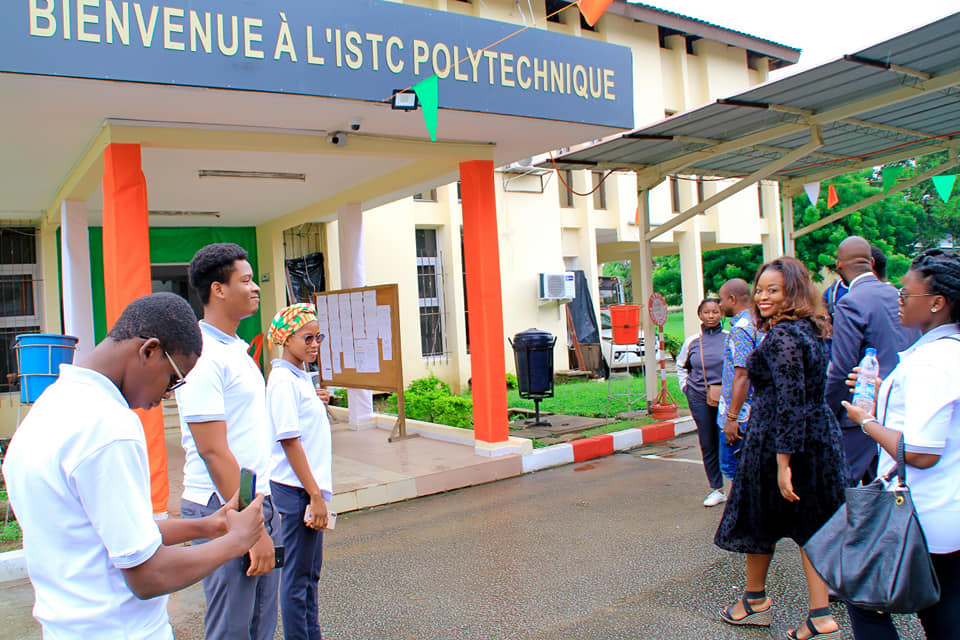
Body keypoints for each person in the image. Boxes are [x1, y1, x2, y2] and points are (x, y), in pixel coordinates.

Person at [1, 293, 265, 639]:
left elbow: (107, 533)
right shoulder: (109, 428)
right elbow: (148, 576)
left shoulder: (53, 404)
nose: (169, 395)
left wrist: (209, 526)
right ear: (149, 350)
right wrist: (237, 542)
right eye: (174, 379)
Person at [715, 257, 847, 640]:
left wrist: (782, 462)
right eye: (760, 289)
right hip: (816, 438)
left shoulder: (785, 336)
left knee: (764, 521)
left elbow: (789, 400)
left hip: (781, 442)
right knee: (808, 526)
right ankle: (797, 610)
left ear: (793, 291)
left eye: (773, 289)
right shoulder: (814, 328)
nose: (763, 296)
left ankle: (767, 605)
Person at [841, 248, 960, 640]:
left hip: (924, 512)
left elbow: (920, 452)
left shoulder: (932, 361)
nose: (898, 301)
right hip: (944, 512)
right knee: (941, 608)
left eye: (906, 295)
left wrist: (866, 420)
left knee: (863, 598)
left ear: (938, 303)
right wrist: (878, 393)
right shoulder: (944, 352)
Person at [176, 243, 280, 640]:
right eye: (247, 280)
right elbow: (212, 449)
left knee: (260, 625)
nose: (255, 289)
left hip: (255, 501)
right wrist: (252, 529)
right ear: (218, 290)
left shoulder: (236, 349)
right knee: (233, 629)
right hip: (223, 507)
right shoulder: (204, 356)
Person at [825, 236, 918, 487]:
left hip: (861, 413)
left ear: (839, 266)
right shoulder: (897, 295)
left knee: (844, 490)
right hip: (900, 411)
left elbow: (841, 367)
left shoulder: (850, 302)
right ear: (871, 261)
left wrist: (828, 410)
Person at [265, 303, 334, 640]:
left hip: (304, 489)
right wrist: (316, 495)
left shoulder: (299, 376)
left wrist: (315, 399)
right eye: (307, 337)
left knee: (309, 575)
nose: (314, 344)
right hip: (298, 491)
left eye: (318, 336)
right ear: (286, 339)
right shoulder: (282, 380)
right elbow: (290, 442)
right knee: (297, 578)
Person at [676, 298, 727, 507]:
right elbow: (681, 366)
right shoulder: (692, 341)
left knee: (731, 441)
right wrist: (685, 388)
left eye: (715, 312)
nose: (711, 316)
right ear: (700, 315)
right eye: (707, 312)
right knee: (708, 441)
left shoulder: (731, 338)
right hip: (699, 396)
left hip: (726, 398)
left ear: (721, 314)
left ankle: (741, 487)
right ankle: (717, 488)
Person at [717, 278, 760, 481]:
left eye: (722, 299)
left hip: (741, 415)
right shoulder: (758, 322)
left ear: (732, 299)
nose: (720, 305)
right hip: (754, 410)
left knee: (732, 468)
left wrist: (731, 418)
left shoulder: (741, 329)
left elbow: (743, 374)